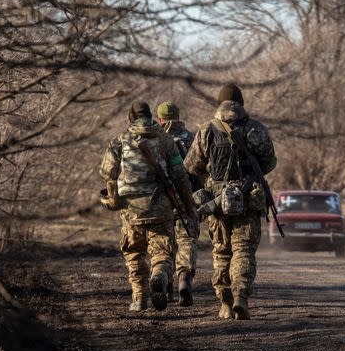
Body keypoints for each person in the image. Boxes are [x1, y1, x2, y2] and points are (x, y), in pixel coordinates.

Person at [184, 84, 276, 320]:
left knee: (222, 253)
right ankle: (240, 298)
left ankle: (224, 304)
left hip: (217, 203)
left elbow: (192, 166)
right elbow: (269, 162)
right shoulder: (255, 129)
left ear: (219, 103)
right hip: (248, 201)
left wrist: (212, 182)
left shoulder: (206, 130)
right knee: (244, 251)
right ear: (241, 103)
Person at [100, 100, 197, 312]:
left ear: (131, 118)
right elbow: (180, 176)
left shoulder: (120, 141)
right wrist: (188, 205)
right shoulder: (165, 140)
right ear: (150, 116)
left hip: (131, 209)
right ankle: (160, 275)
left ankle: (140, 298)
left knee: (134, 252)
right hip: (161, 207)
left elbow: (108, 174)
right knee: (162, 251)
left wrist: (113, 199)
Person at [156, 100, 200, 306]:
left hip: (162, 200)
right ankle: (184, 278)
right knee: (187, 240)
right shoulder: (192, 137)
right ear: (178, 116)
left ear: (160, 119)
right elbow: (201, 171)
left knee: (165, 243)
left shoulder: (157, 139)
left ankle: (166, 286)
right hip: (187, 198)